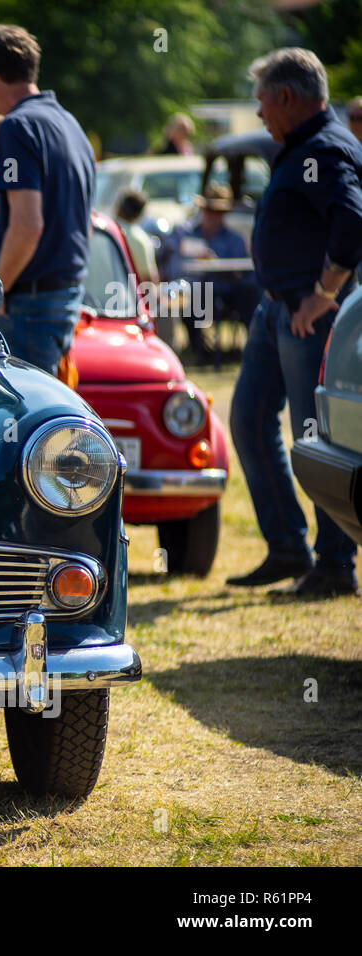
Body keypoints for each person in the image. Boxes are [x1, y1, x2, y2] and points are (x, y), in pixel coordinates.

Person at [226, 48, 362, 597]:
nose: (258, 113)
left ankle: (334, 566)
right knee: (249, 418)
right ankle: (287, 547)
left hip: (310, 315)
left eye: (261, 101)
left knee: (316, 438)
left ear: (285, 97)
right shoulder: (305, 146)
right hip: (278, 309)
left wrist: (323, 294)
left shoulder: (325, 147)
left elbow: (353, 220)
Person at [0, 23, 96, 376]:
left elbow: (26, 224)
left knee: (18, 422)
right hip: (63, 295)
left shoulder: (16, 128)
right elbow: (86, 222)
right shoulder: (69, 124)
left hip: (31, 305)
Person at [160, 184, 261, 368]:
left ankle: (255, 347)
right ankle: (199, 350)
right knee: (190, 297)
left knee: (250, 291)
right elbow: (170, 248)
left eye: (218, 211)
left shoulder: (234, 239)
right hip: (199, 292)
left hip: (227, 292)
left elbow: (242, 268)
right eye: (209, 210)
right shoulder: (186, 232)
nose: (213, 215)